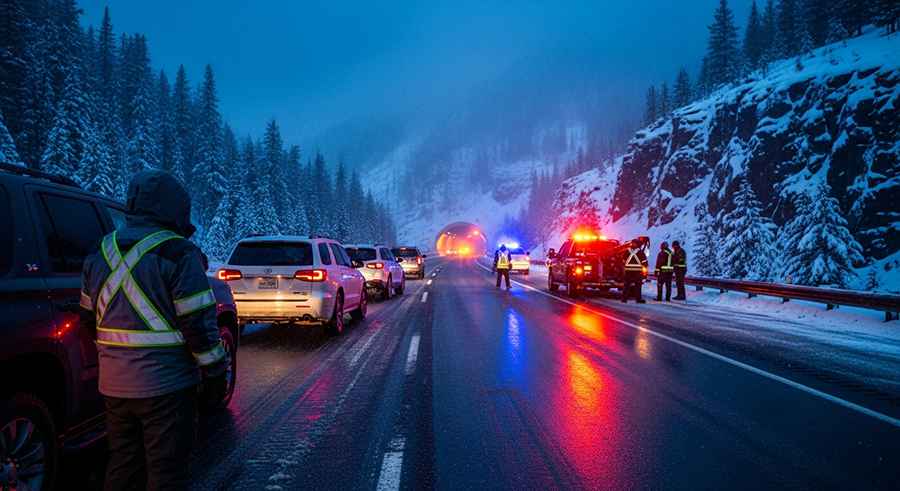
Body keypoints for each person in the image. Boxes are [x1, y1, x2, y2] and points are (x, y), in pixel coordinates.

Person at [79, 170, 229, 491]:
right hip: (168, 387)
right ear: (175, 209)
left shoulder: (99, 250)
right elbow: (199, 325)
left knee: (123, 465)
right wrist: (216, 373)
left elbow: (88, 317)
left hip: (115, 386)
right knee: (166, 473)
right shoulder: (178, 252)